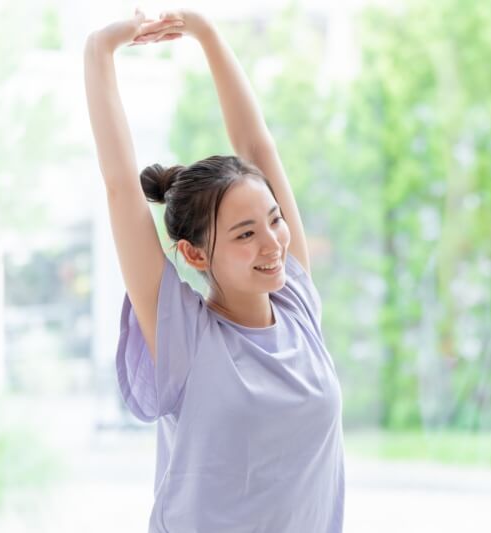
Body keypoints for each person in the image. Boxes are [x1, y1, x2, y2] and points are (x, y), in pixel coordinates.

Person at [83, 8, 344, 532]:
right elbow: (119, 187)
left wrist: (205, 32)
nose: (272, 243)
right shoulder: (186, 338)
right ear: (196, 255)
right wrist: (98, 52)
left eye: (273, 220)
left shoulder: (294, 300)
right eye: (245, 234)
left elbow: (256, 147)